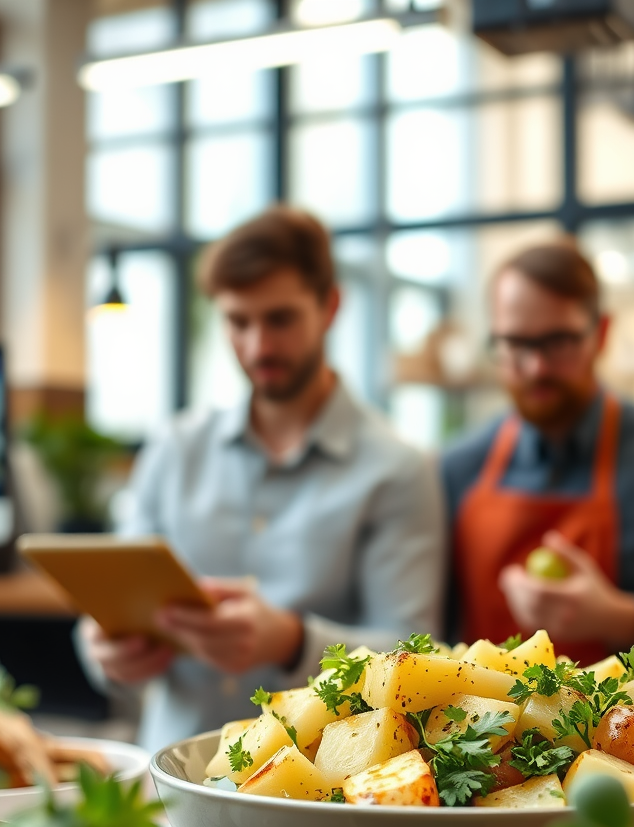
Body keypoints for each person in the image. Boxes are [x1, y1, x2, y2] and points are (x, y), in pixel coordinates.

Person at [80, 207, 445, 750]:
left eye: (280, 319)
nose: (258, 347)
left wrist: (294, 643)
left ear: (330, 307)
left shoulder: (397, 469)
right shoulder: (174, 448)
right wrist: (104, 652)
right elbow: (110, 607)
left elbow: (419, 657)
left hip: (315, 787)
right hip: (170, 774)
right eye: (238, 322)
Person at [441, 242, 634, 683]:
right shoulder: (458, 468)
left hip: (625, 727)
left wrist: (616, 617)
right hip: (482, 725)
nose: (536, 367)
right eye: (515, 343)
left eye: (558, 342)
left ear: (601, 334)